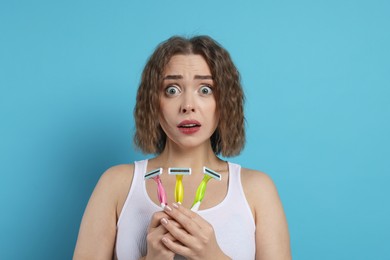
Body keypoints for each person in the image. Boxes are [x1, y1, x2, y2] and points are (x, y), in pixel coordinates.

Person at [73, 35, 291, 260]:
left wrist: (214, 257)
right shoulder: (116, 184)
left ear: (224, 101)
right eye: (172, 90)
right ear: (153, 103)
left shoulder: (257, 190)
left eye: (205, 89)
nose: (188, 105)